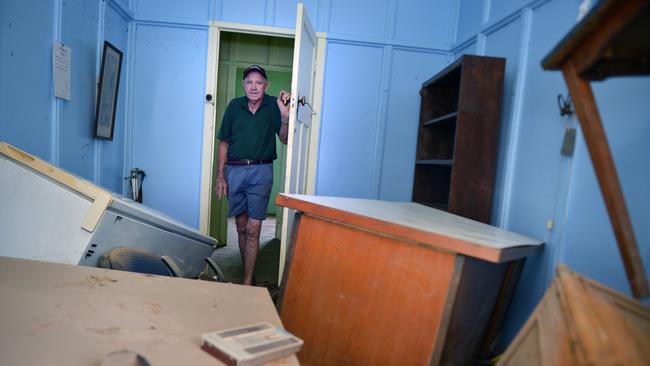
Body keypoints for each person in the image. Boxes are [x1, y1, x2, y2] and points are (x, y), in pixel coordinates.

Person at [214, 64, 290, 286]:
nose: (254, 87)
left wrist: (285, 115)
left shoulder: (274, 105)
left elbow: (285, 139)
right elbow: (224, 143)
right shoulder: (234, 106)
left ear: (266, 86)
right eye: (249, 82)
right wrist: (220, 176)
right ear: (243, 85)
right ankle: (249, 271)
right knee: (240, 226)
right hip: (234, 170)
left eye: (259, 82)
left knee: (253, 228)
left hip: (261, 171)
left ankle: (247, 281)